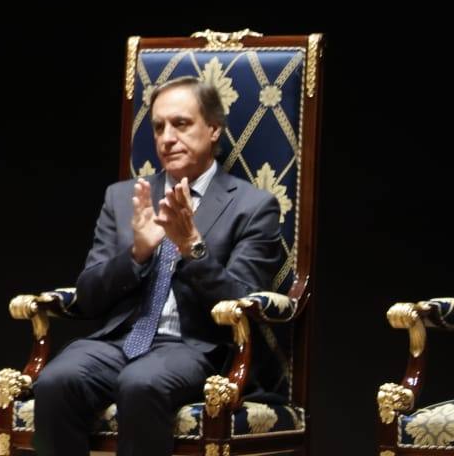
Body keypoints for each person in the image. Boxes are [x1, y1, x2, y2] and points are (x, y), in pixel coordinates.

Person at [31, 76, 283, 456]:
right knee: (56, 380)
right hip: (119, 341)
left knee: (140, 382)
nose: (167, 138)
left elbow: (243, 301)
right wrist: (136, 253)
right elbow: (88, 296)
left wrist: (192, 248)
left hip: (195, 347)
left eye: (181, 124)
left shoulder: (252, 206)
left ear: (213, 129)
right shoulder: (123, 198)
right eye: (159, 127)